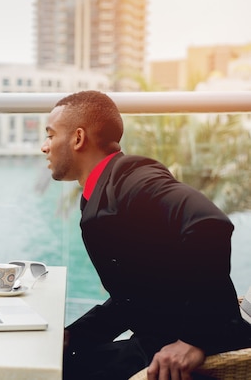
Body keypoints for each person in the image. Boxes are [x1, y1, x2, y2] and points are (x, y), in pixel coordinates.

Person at [41, 90, 251, 380]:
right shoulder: (97, 195)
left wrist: (193, 340)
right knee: (57, 363)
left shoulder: (134, 179)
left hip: (192, 344)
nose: (44, 146)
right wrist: (73, 336)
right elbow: (132, 299)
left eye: (50, 135)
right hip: (156, 341)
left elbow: (209, 223)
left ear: (78, 138)